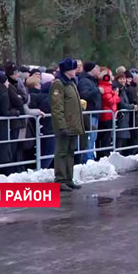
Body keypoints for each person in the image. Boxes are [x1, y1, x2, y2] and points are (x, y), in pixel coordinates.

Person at [50, 58, 85, 190]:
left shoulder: (71, 83)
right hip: (65, 124)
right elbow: (57, 107)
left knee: (70, 152)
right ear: (67, 70)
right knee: (62, 152)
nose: (76, 70)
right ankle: (60, 179)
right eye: (74, 68)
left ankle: (68, 178)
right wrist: (61, 125)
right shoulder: (59, 84)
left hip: (73, 124)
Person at [77, 61, 101, 162]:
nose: (99, 71)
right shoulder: (84, 81)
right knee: (89, 138)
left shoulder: (93, 80)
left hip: (95, 112)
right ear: (92, 69)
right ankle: (87, 159)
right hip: (89, 113)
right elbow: (84, 95)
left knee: (93, 138)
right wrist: (97, 90)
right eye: (97, 68)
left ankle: (90, 157)